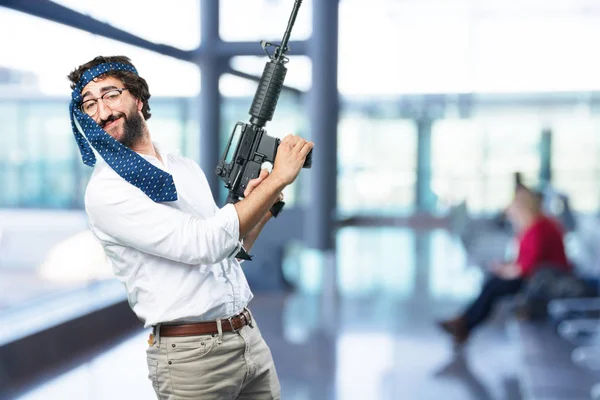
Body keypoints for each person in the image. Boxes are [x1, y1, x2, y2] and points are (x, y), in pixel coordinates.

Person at [67, 55, 313, 399]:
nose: (103, 111)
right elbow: (204, 244)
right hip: (192, 359)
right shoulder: (107, 191)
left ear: (138, 98)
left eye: (111, 95)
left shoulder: (182, 167)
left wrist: (263, 206)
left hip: (247, 336)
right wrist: (278, 179)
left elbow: (227, 254)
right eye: (89, 104)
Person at [438, 186, 570, 346]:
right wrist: (505, 268)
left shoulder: (539, 228)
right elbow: (525, 260)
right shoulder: (534, 225)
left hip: (547, 280)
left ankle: (464, 323)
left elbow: (527, 268)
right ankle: (464, 322)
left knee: (494, 285)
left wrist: (505, 270)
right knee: (493, 282)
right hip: (539, 276)